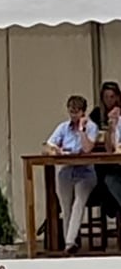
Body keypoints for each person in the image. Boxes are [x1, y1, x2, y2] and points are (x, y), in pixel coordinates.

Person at [44, 95, 99, 255]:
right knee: (66, 206)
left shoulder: (91, 127)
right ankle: (70, 242)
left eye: (77, 112)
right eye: (71, 112)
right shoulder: (63, 127)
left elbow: (88, 148)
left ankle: (69, 242)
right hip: (67, 170)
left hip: (86, 172)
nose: (73, 115)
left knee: (79, 202)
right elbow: (48, 145)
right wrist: (55, 150)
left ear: (83, 112)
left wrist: (82, 130)